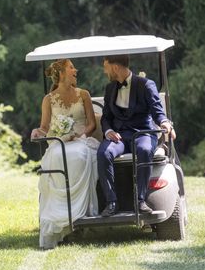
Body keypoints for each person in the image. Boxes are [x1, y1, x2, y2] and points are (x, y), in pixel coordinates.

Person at [31, 59, 100, 249]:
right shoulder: (48, 99)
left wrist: (80, 135)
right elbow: (45, 128)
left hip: (80, 140)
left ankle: (80, 210)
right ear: (61, 73)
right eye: (71, 67)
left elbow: (92, 124)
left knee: (79, 155)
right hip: (59, 142)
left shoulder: (84, 94)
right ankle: (59, 212)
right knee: (56, 156)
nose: (75, 70)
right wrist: (38, 132)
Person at [97, 55, 176, 217]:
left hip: (142, 133)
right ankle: (111, 202)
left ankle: (140, 200)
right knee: (103, 153)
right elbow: (106, 117)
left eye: (106, 67)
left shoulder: (146, 85)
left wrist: (165, 122)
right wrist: (108, 131)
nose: (105, 71)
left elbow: (157, 110)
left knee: (144, 149)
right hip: (119, 136)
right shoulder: (110, 88)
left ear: (115, 67)